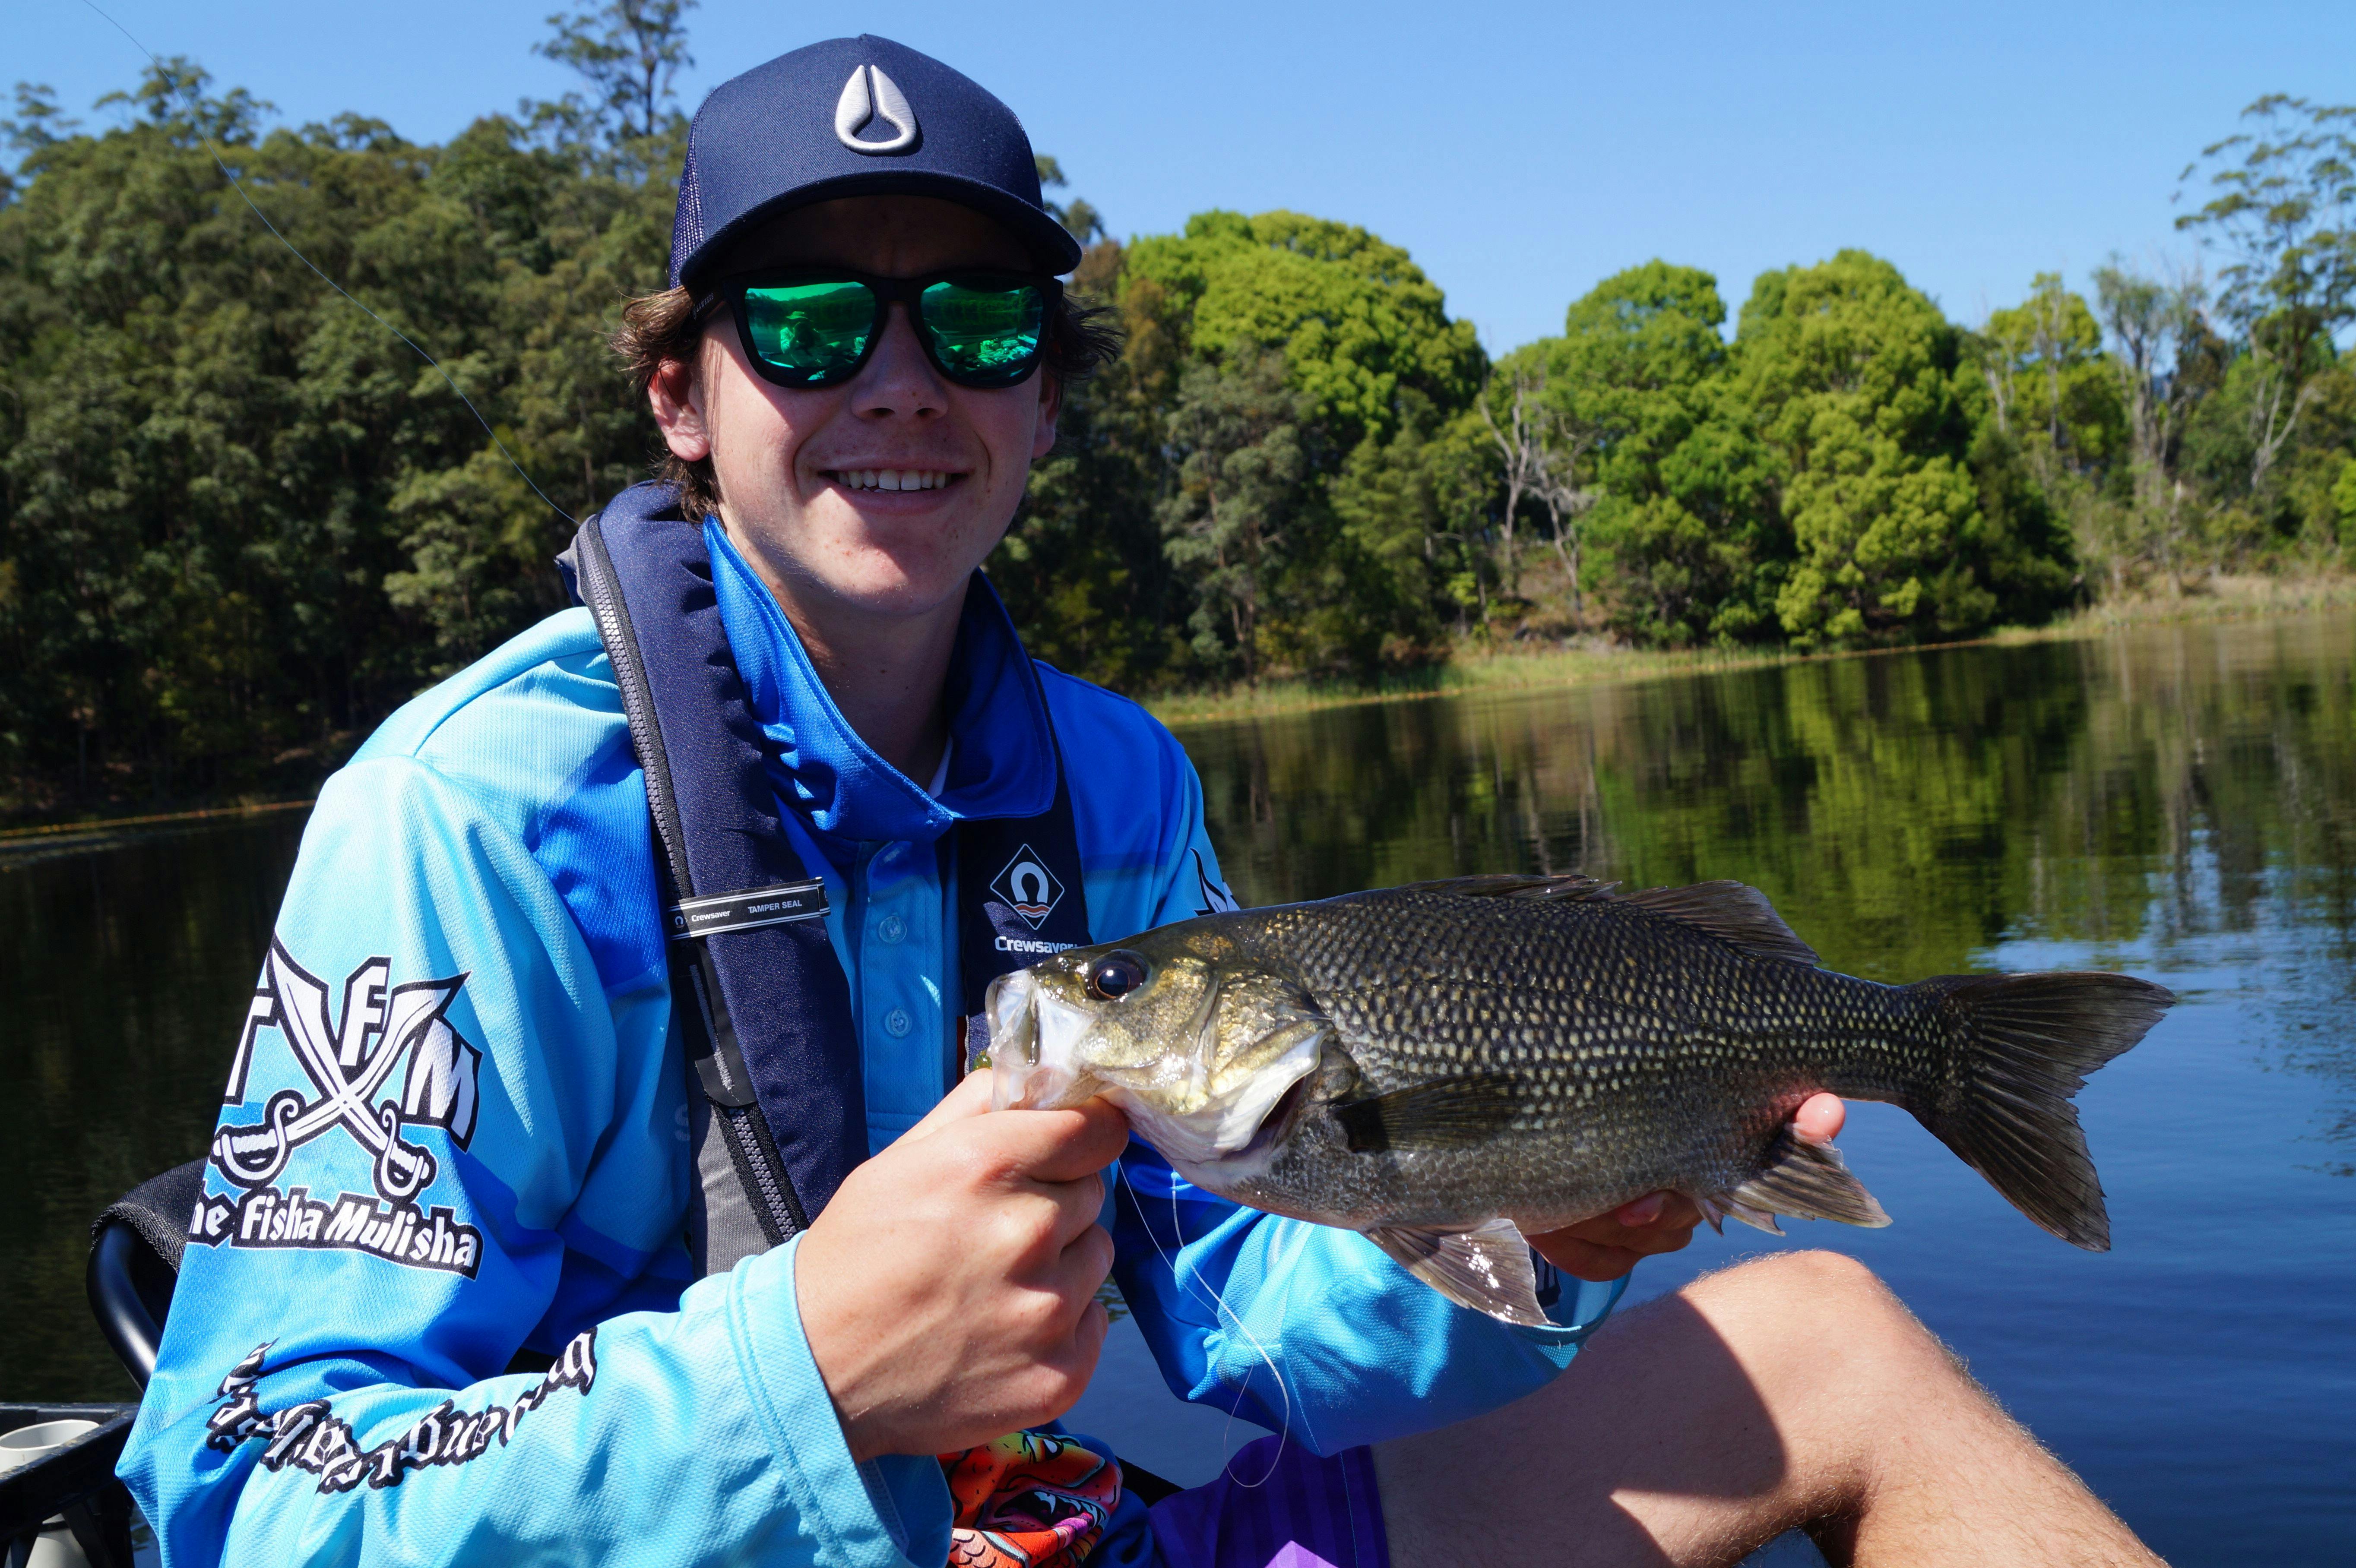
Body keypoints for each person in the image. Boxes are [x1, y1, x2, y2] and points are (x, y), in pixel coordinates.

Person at [119, 35, 2163, 1568]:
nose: (899, 378)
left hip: (1048, 1533)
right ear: (686, 394)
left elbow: (1234, 1296)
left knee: (1824, 1330)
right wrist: (799, 1375)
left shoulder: (1107, 777)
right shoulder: (467, 821)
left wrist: (1516, 1232)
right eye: (813, 320)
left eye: (979, 320)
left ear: (1045, 398)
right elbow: (238, 1494)